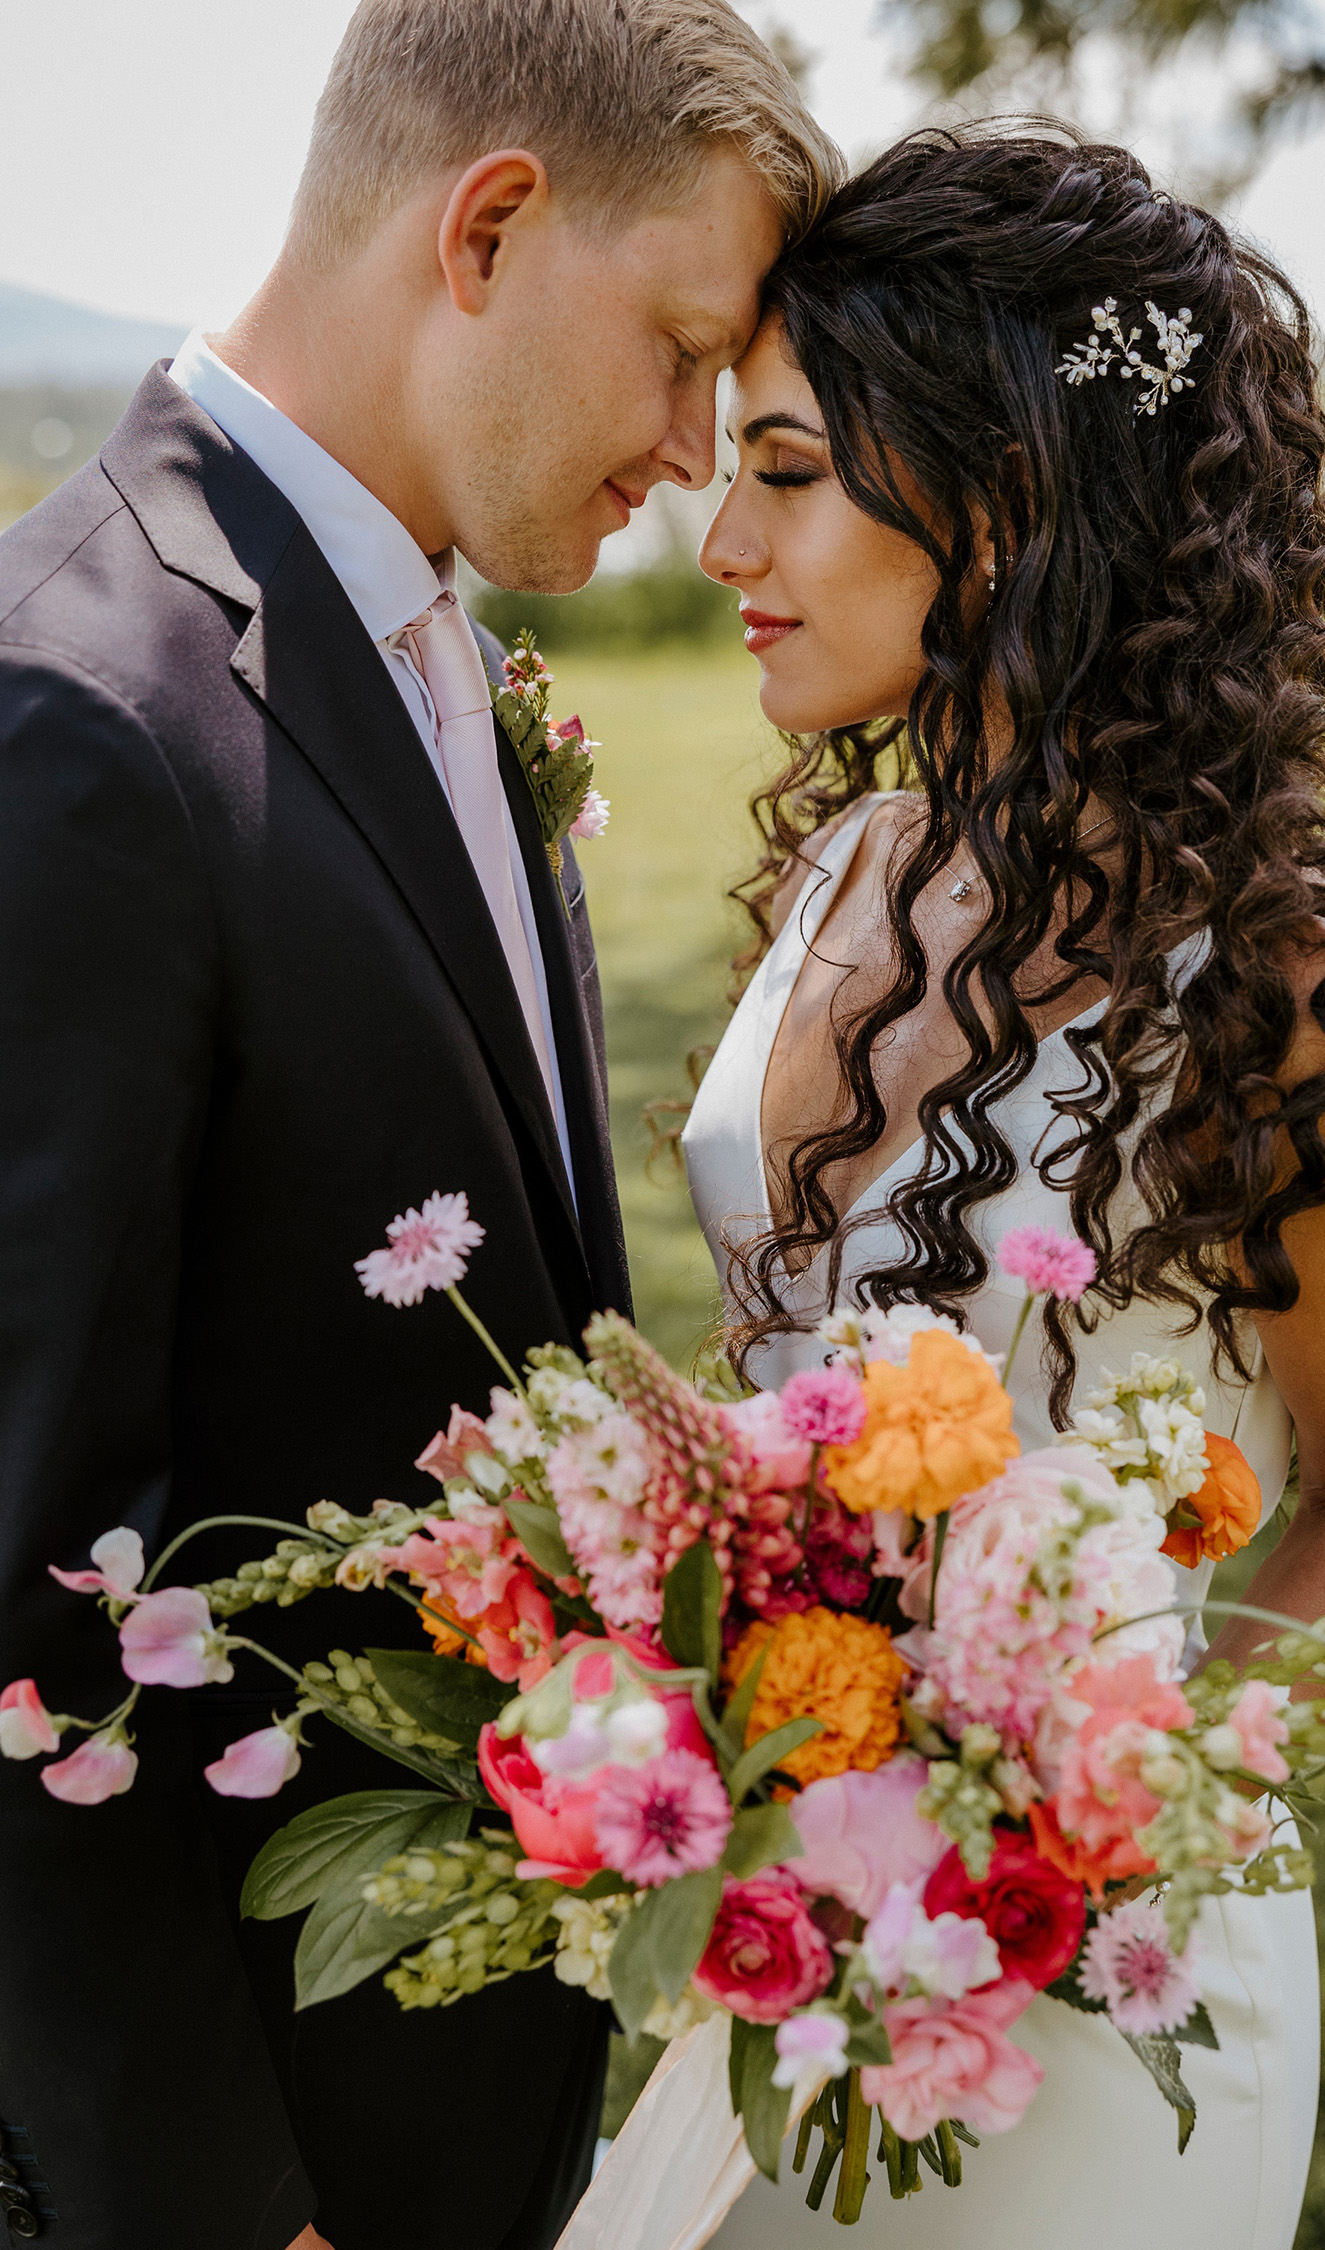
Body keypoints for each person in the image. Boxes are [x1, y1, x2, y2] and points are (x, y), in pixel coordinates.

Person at [0, 5, 839, 2247]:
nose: (694, 448)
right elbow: (29, 1550)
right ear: (487, 226)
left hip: (479, 2083)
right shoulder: (83, 709)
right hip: (263, 2151)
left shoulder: (432, 637)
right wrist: (215, 2200)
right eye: (681, 351)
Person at [686, 124, 1325, 2249]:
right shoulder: (844, 868)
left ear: (1003, 496)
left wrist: (1113, 1814)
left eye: (780, 467)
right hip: (774, 1913)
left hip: (1102, 1988)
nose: (715, 535)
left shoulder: (1294, 1017)